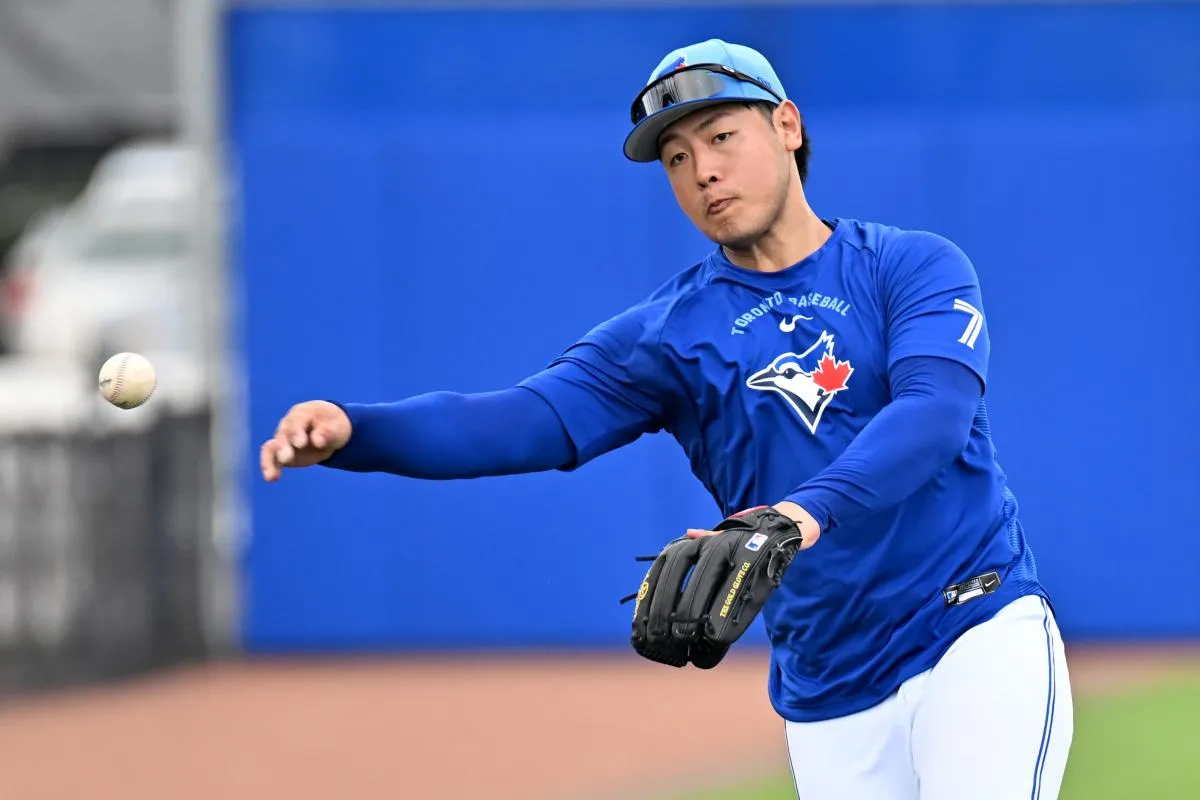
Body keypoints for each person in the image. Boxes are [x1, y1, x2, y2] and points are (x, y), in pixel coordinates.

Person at [260, 38, 1073, 800]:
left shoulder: (909, 266)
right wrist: (356, 431)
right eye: (677, 160)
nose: (702, 173)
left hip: (970, 627)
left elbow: (933, 416)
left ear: (786, 126)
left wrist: (796, 516)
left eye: (721, 137)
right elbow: (524, 419)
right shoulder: (667, 333)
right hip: (827, 684)